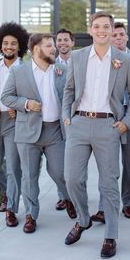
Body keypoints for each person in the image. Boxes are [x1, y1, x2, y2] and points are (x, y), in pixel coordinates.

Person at [62, 11, 130, 258]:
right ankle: (83, 219)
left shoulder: (123, 60)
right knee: (72, 178)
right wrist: (67, 117)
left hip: (108, 126)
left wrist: (127, 122)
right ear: (91, 29)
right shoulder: (77, 56)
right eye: (97, 26)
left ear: (111, 29)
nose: (102, 30)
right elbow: (69, 88)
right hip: (79, 124)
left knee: (109, 183)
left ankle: (111, 235)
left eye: (106, 26)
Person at [1, 33, 76, 233]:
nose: (55, 49)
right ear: (36, 49)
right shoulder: (19, 72)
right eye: (50, 46)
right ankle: (31, 216)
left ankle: (68, 198)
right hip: (27, 132)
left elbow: (73, 96)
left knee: (61, 173)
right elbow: (6, 97)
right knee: (29, 176)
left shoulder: (62, 70)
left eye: (54, 45)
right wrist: (25, 104)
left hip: (55, 132)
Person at [91, 21, 130, 223]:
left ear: (127, 37)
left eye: (121, 35)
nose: (117, 38)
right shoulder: (103, 58)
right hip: (110, 118)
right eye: (114, 34)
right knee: (107, 165)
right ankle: (104, 206)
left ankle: (128, 203)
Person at [0, 22, 29, 225]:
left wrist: (20, 106)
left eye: (13, 43)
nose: (9, 47)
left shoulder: (26, 69)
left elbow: (35, 96)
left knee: (13, 167)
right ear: (0, 45)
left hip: (16, 123)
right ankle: (10, 190)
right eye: (5, 43)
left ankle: (12, 208)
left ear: (20, 46)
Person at [55, 28, 74, 211]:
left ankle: (76, 194)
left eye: (66, 40)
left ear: (72, 42)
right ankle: (63, 196)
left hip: (76, 118)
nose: (62, 43)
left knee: (75, 160)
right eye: (59, 40)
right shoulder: (51, 64)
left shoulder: (80, 61)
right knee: (60, 159)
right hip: (56, 119)